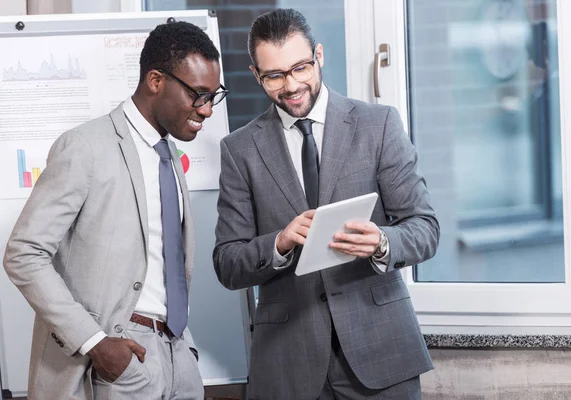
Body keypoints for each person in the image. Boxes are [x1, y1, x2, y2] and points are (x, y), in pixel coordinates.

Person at [213, 8, 439, 400]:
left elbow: (425, 228)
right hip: (287, 362)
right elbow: (227, 263)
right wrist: (279, 243)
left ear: (319, 56)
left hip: (380, 354)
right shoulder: (240, 150)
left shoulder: (378, 124)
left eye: (300, 67)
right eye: (275, 76)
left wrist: (382, 242)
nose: (291, 85)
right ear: (256, 75)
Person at [3, 21, 227, 400]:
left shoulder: (169, 155)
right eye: (197, 95)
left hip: (176, 356)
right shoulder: (86, 147)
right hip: (116, 359)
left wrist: (182, 346)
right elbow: (23, 253)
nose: (206, 110)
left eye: (212, 96)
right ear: (156, 80)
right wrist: (95, 343)